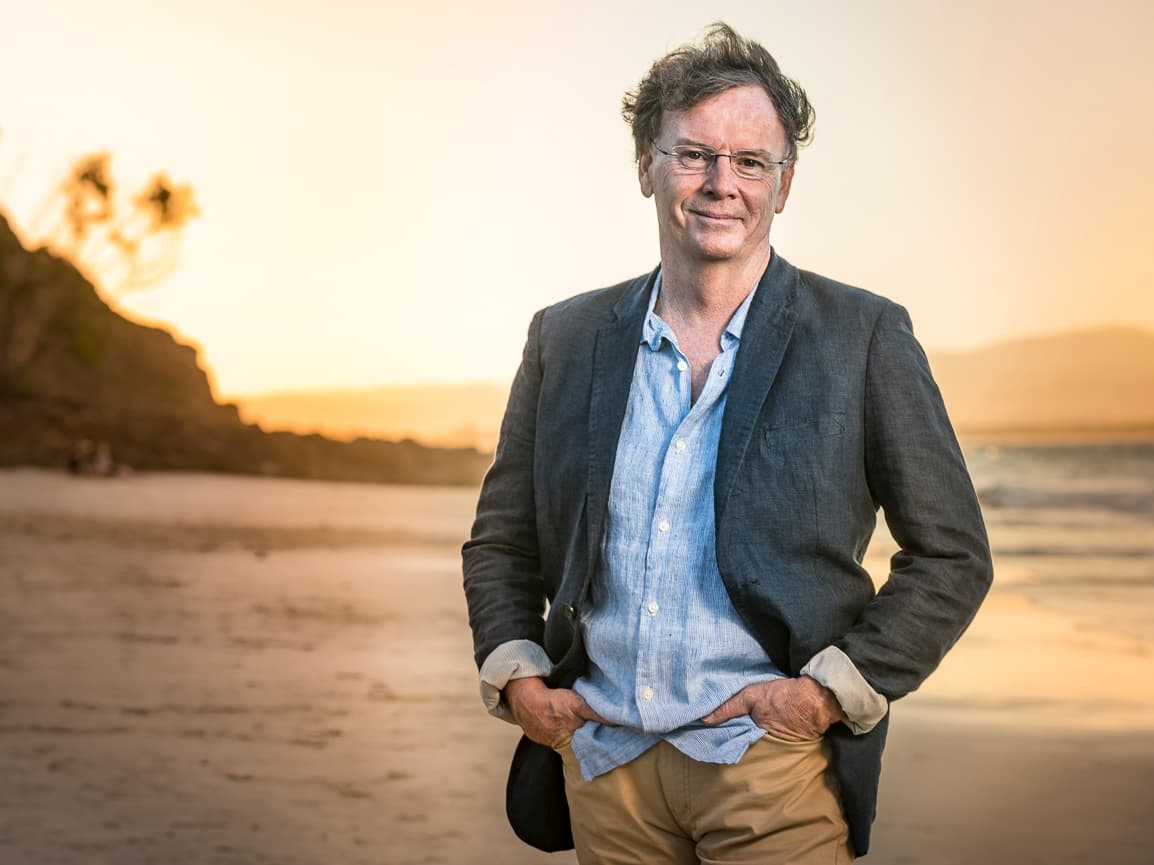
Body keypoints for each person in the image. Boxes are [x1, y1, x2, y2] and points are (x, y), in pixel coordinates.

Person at [462, 22, 992, 864]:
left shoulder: (863, 336)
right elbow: (503, 537)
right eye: (694, 154)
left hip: (771, 767)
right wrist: (517, 675)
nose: (721, 183)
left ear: (784, 185)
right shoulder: (564, 339)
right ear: (646, 165)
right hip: (604, 766)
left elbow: (954, 553)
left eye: (751, 162)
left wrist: (826, 696)